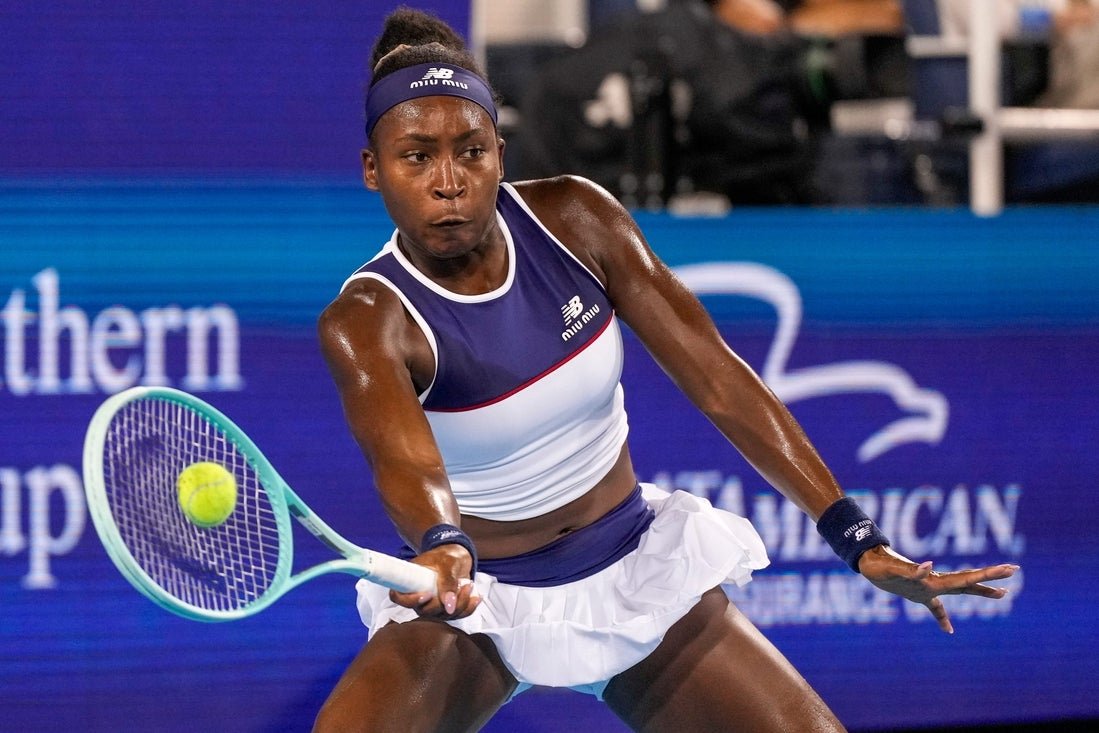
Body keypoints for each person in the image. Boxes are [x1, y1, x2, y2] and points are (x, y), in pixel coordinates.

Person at [312, 7, 1018, 732]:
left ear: (500, 149)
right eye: (416, 157)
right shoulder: (366, 319)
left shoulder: (577, 221)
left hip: (631, 572)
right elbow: (406, 462)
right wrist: (442, 545)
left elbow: (719, 379)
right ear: (372, 169)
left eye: (471, 151)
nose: (449, 182)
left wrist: (856, 538)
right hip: (476, 599)